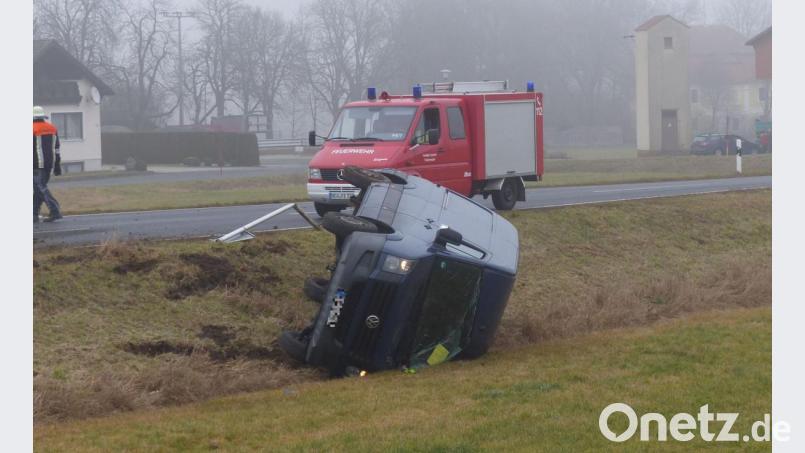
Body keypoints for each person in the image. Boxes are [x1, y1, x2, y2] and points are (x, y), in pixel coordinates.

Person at [33, 106, 63, 223]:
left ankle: (55, 211)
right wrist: (57, 165)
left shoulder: (31, 129)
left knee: (41, 188)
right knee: (38, 189)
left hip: (35, 165)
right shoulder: (52, 128)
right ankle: (34, 214)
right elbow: (57, 149)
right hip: (49, 164)